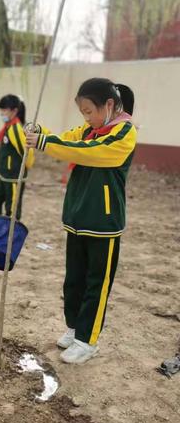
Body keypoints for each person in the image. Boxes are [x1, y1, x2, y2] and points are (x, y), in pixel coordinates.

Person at [25, 77, 136, 364]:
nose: (86, 118)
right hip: (77, 217)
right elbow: (65, 140)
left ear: (109, 105)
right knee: (73, 279)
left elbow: (86, 153)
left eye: (89, 111)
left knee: (96, 283)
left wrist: (44, 143)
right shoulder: (89, 129)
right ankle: (74, 329)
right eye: (83, 113)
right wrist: (40, 133)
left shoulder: (124, 131)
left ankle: (88, 341)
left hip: (103, 221)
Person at [0, 94, 34, 220]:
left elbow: (27, 151)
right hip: (4, 176)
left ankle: (11, 235)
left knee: (12, 209)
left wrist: (24, 170)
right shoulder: (8, 127)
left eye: (5, 110)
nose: (2, 113)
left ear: (14, 111)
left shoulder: (16, 129)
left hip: (13, 177)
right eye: (1, 110)